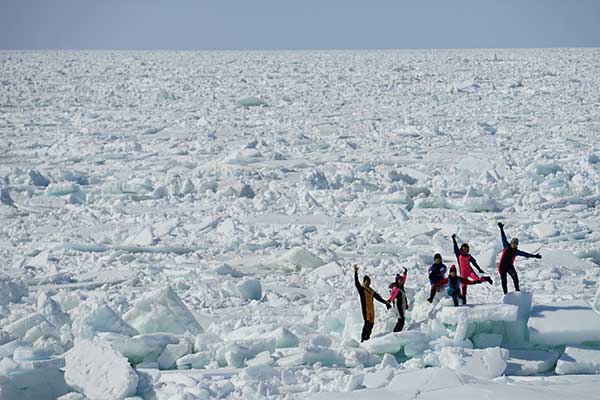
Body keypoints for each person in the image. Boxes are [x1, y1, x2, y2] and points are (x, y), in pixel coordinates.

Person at [497, 222, 542, 294]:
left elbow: (525, 254)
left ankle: (517, 292)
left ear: (517, 245)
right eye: (513, 243)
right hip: (502, 267)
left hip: (509, 267)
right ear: (511, 243)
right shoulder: (506, 246)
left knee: (515, 277)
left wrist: (534, 256)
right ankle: (505, 294)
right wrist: (501, 229)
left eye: (515, 243)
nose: (514, 244)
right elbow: (503, 237)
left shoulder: (516, 252)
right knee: (504, 281)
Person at [452, 234, 493, 304]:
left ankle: (486, 278)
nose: (465, 250)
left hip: (469, 271)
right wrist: (454, 240)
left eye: (466, 249)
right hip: (463, 274)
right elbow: (455, 248)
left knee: (477, 280)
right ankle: (464, 300)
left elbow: (474, 263)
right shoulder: (459, 255)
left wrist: (479, 269)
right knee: (464, 287)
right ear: (462, 249)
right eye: (464, 249)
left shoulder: (469, 256)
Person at [353, 264, 390, 342]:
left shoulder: (370, 290)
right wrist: (355, 272)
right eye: (367, 281)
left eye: (369, 282)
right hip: (366, 309)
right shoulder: (362, 289)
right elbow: (356, 283)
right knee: (367, 324)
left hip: (371, 310)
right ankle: (363, 339)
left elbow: (378, 297)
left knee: (371, 325)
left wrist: (385, 302)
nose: (368, 283)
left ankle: (367, 339)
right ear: (364, 281)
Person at [388, 268, 409, 332]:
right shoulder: (396, 288)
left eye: (401, 280)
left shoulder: (401, 285)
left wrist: (405, 272)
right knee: (401, 319)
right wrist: (389, 301)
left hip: (402, 304)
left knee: (402, 319)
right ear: (397, 281)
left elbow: (404, 278)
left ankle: (398, 331)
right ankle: (396, 332)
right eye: (399, 280)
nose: (401, 281)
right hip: (398, 305)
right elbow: (392, 296)